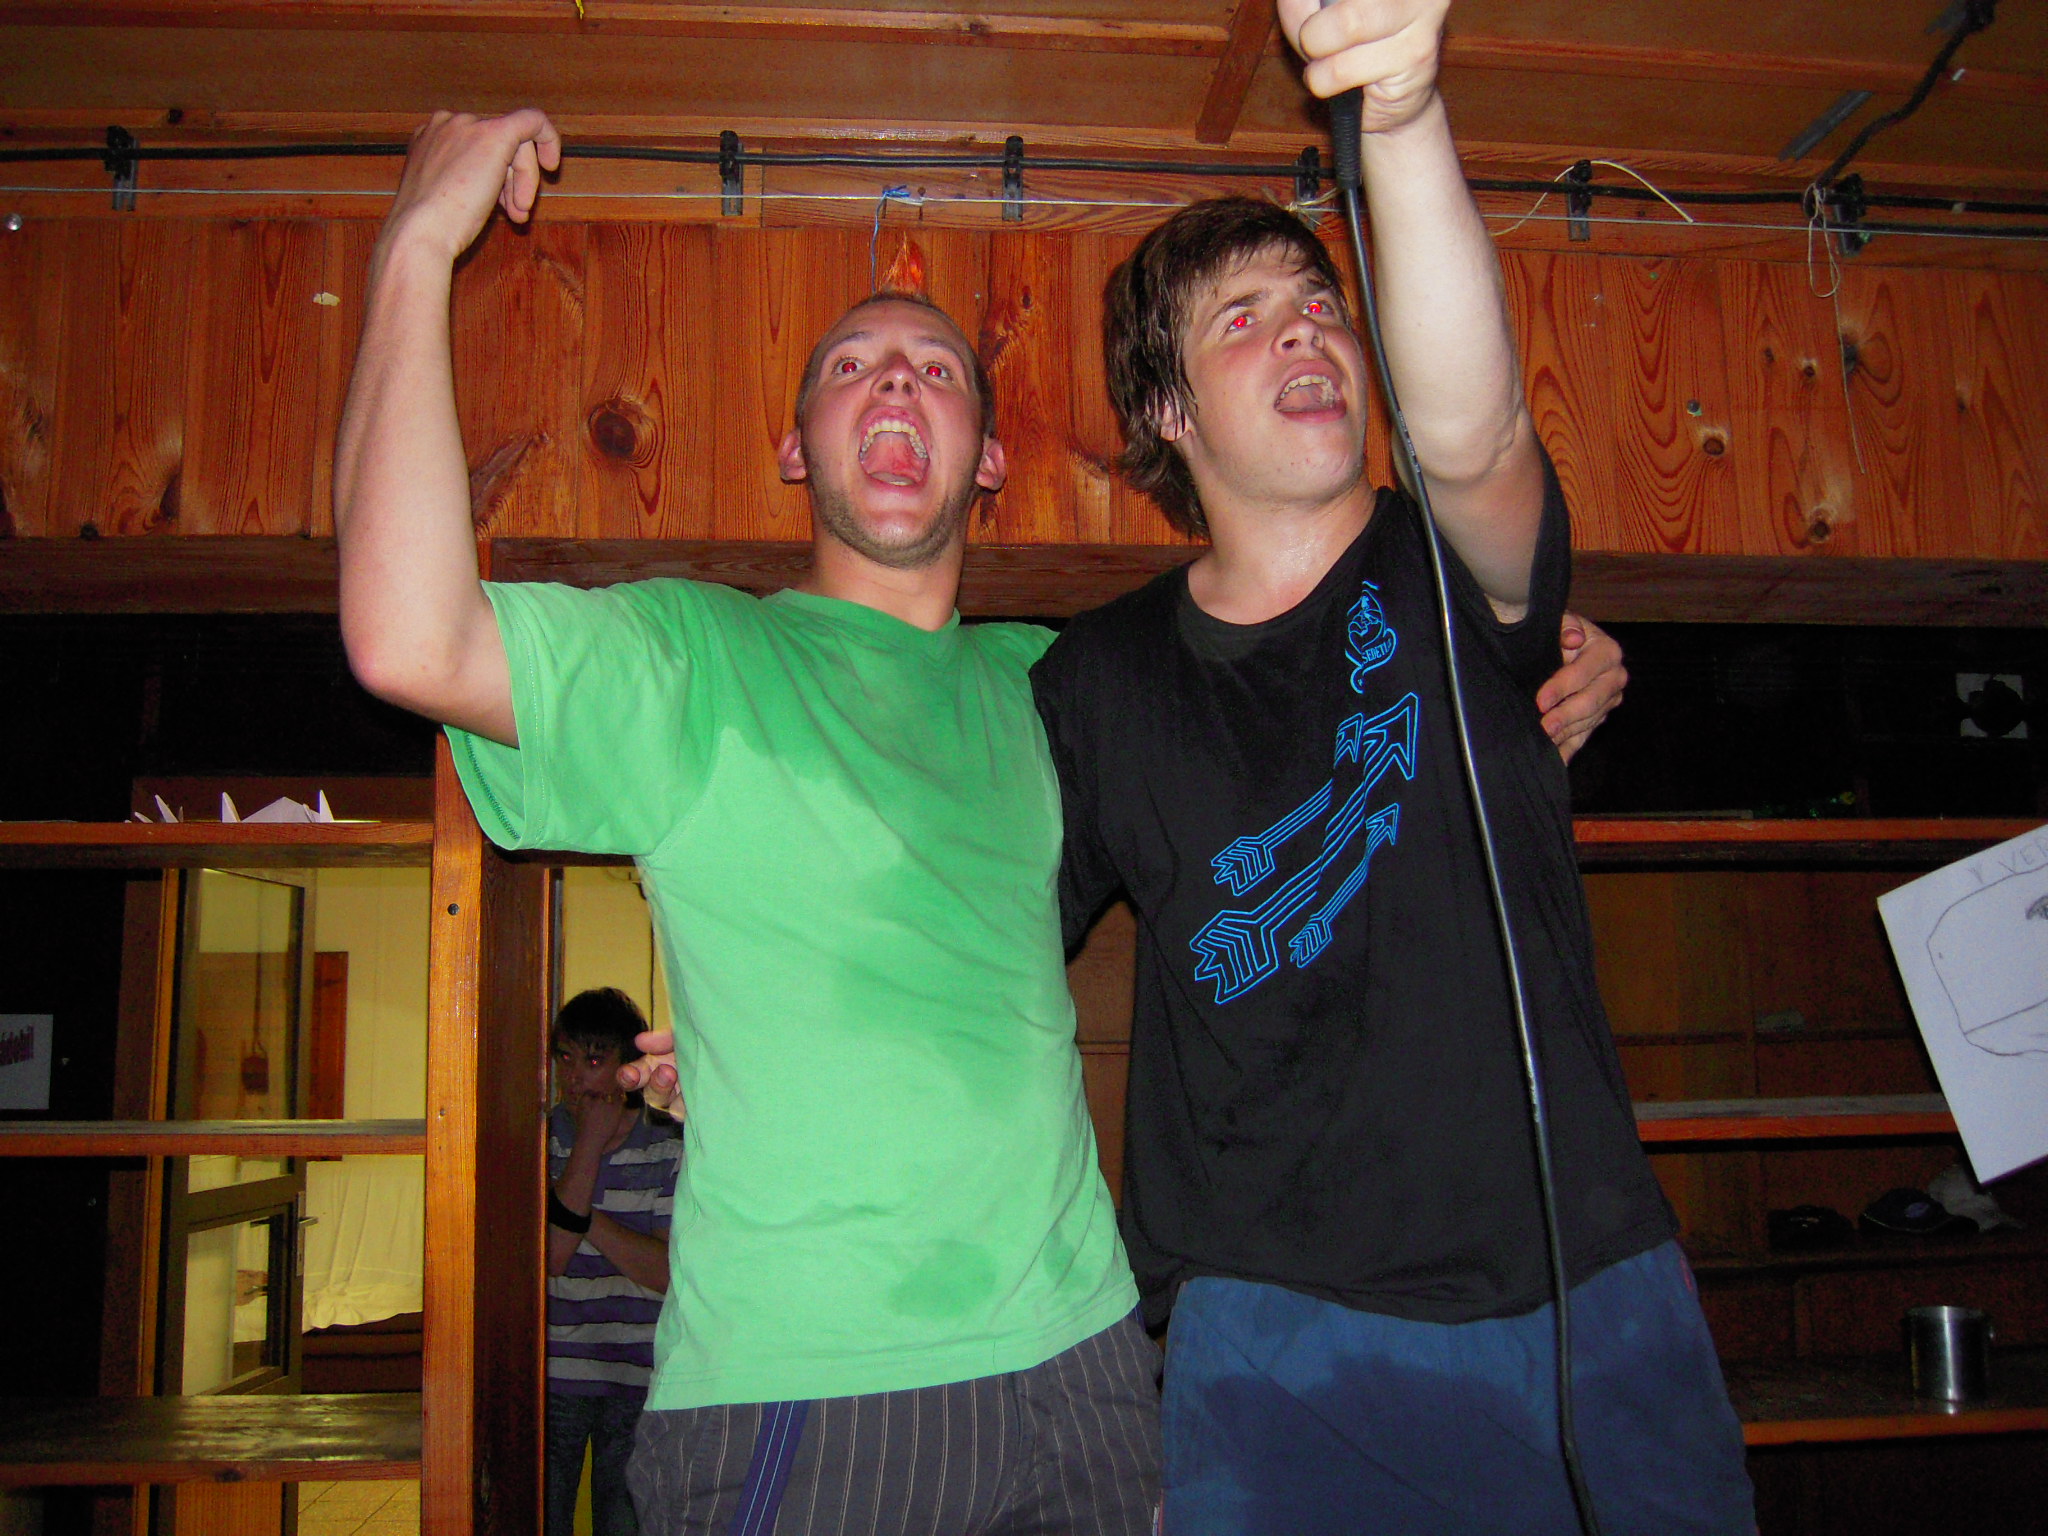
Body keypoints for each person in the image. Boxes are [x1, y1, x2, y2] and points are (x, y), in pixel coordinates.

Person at [332, 82, 1625, 1534]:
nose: (895, 384)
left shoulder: (1056, 688)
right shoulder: (695, 656)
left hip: (1087, 1370)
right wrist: (415, 244)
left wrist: (1531, 671)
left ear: (990, 462)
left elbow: (1303, 739)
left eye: (938, 371)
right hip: (812, 1396)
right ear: (796, 448)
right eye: (852, 368)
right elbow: (407, 635)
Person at [1026, 3, 1757, 1534]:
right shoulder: (1096, 681)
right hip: (1275, 1344)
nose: (1305, 331)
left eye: (1320, 306)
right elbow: (978, 931)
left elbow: (1475, 437)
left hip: (1588, 1303)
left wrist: (1404, 108)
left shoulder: (1454, 574)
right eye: (1242, 318)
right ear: (1166, 411)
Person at [545, 988, 682, 1536]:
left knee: (623, 1522)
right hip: (554, 1371)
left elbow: (667, 1273)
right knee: (541, 1515)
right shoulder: (542, 1138)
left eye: (594, 1060)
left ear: (628, 1067)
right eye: (565, 1057)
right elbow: (553, 1257)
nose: (575, 1077)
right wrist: (588, 1144)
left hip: (639, 1373)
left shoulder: (666, 1144)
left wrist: (572, 1209)